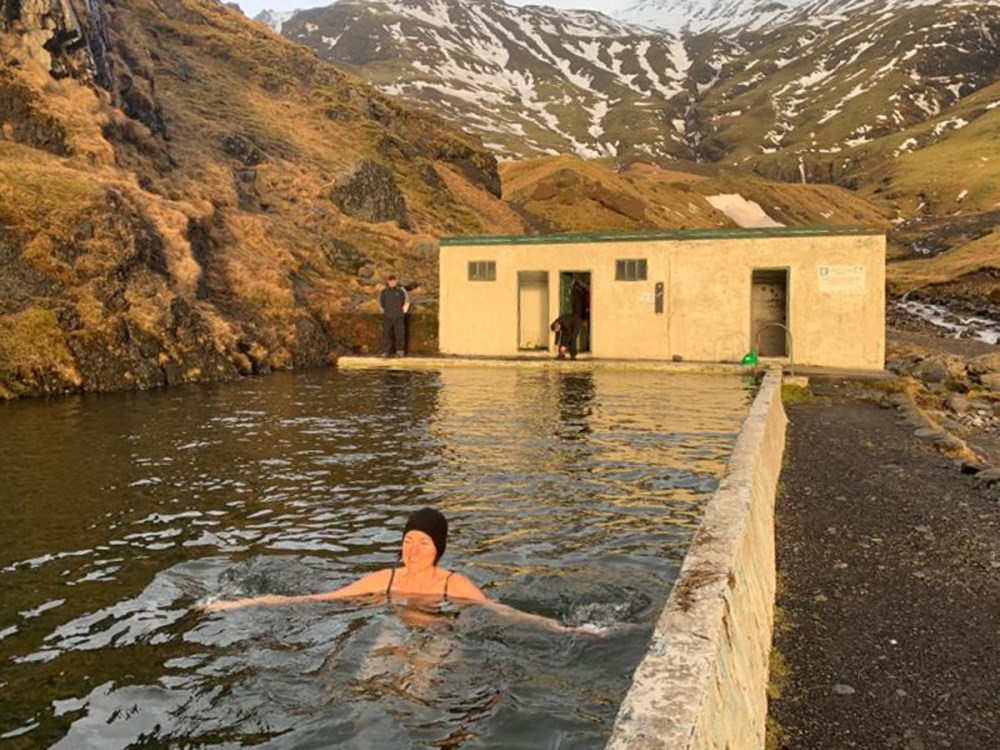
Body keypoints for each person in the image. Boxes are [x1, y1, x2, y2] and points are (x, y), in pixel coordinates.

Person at [203, 507, 597, 636]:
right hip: (396, 631)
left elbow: (500, 610)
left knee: (419, 687)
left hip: (439, 635)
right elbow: (320, 599)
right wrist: (240, 604)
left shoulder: (453, 584)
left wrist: (565, 630)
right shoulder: (386, 579)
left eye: (423, 542)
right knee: (369, 686)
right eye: (408, 540)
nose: (413, 549)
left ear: (438, 549)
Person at [378, 274, 409, 357]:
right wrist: (384, 311)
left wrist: (403, 312)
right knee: (386, 334)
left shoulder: (401, 291)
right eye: (390, 281)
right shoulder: (384, 291)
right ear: (388, 282)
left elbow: (406, 301)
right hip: (388, 316)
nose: (392, 283)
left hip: (399, 316)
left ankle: (400, 351)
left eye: (393, 281)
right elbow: (381, 302)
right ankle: (385, 351)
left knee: (400, 334)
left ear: (396, 281)